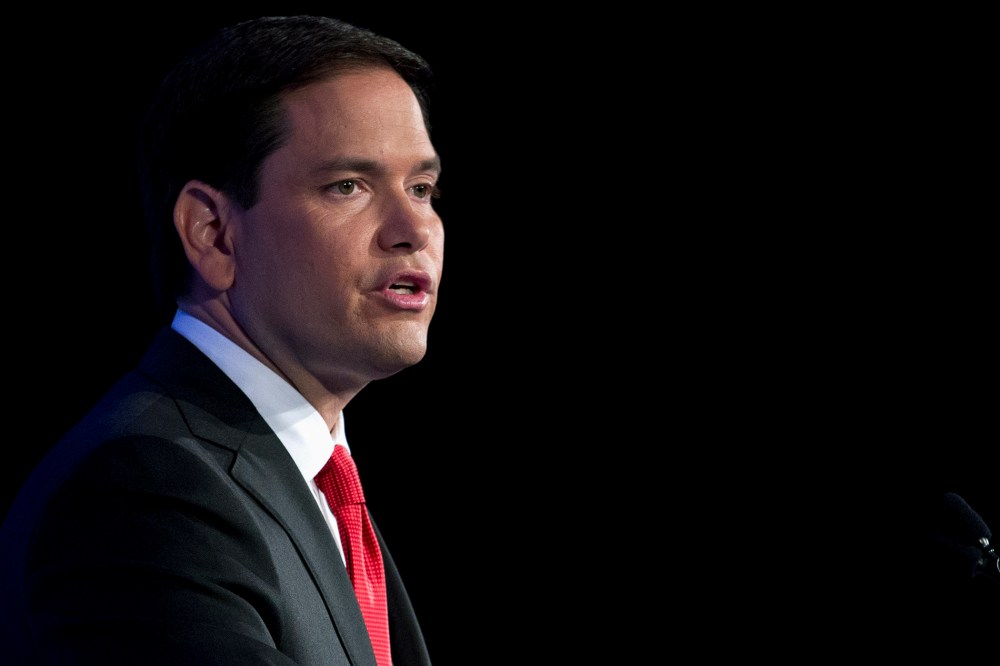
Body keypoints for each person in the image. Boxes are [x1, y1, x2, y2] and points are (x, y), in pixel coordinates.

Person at [0, 15, 441, 664]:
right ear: (212, 232)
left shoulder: (307, 477)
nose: (413, 229)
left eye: (422, 188)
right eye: (348, 186)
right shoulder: (143, 490)